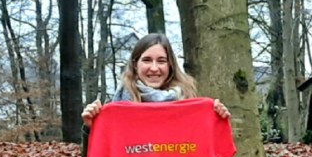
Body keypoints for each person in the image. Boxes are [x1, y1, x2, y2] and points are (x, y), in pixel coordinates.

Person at [81, 33, 230, 125]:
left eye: (161, 61)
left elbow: (206, 152)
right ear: (135, 64)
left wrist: (217, 120)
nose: (154, 68)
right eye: (146, 60)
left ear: (170, 65)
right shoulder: (118, 106)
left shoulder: (189, 104)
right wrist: (91, 127)